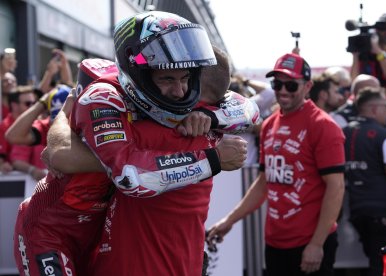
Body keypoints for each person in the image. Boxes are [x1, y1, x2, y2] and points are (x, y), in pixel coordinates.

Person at [13, 11, 257, 276]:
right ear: (138, 73)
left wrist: (209, 116)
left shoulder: (188, 109)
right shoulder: (104, 96)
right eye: (167, 79)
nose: (180, 93)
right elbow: (65, 156)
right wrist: (213, 159)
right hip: (51, 230)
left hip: (96, 234)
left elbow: (248, 108)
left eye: (186, 79)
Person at [207, 53, 345, 275]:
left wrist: (317, 244)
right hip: (275, 243)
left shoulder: (323, 126)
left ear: (308, 86)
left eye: (291, 85)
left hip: (310, 243)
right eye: (277, 83)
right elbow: (263, 182)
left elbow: (336, 187)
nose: (282, 90)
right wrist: (228, 221)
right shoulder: (269, 125)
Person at [343, 87, 386, 276]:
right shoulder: (382, 134)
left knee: (375, 258)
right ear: (374, 109)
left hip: (356, 210)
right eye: (385, 108)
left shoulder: (343, 133)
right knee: (385, 265)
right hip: (384, 210)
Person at [0, 86, 37, 174]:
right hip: (14, 182)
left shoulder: (37, 123)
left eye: (34, 103)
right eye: (28, 103)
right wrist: (2, 165)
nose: (32, 107)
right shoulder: (4, 127)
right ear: (14, 105)